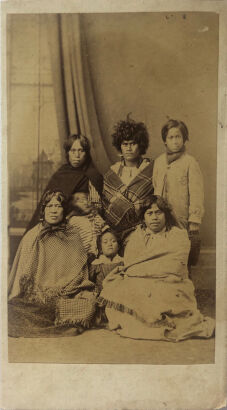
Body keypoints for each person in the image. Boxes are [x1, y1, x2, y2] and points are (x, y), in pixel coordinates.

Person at [99, 196, 215, 341]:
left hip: (170, 281)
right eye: (150, 213)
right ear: (144, 218)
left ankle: (156, 324)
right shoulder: (136, 236)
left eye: (158, 213)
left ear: (166, 215)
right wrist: (143, 274)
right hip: (139, 281)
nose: (154, 217)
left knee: (163, 293)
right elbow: (130, 266)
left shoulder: (178, 236)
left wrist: (150, 272)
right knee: (120, 288)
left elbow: (175, 266)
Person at [8, 190, 97, 337]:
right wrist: (42, 292)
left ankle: (55, 318)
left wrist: (64, 291)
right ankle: (59, 323)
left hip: (67, 293)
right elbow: (23, 275)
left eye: (58, 206)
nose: (54, 210)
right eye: (50, 206)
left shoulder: (73, 234)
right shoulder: (33, 235)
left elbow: (80, 271)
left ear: (64, 210)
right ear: (43, 210)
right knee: (12, 309)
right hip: (39, 295)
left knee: (87, 305)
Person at [26, 134, 103, 232]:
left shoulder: (94, 176)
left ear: (86, 153)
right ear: (68, 153)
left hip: (82, 225)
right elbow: (45, 205)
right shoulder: (61, 174)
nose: (77, 155)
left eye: (81, 150)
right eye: (73, 150)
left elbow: (98, 208)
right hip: (54, 222)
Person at [153, 119, 204, 265]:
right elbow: (155, 185)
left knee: (182, 249)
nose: (175, 141)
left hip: (181, 215)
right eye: (171, 137)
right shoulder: (159, 162)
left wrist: (194, 219)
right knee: (164, 247)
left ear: (184, 139)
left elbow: (197, 193)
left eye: (178, 137)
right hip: (162, 215)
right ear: (165, 141)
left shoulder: (190, 162)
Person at [102, 115, 154, 239]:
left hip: (145, 227)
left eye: (133, 143)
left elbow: (155, 200)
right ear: (120, 146)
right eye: (125, 144)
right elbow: (107, 203)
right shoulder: (112, 172)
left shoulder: (150, 170)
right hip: (115, 230)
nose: (129, 148)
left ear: (141, 145)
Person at [89, 229, 124, 325]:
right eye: (105, 242)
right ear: (100, 248)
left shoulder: (122, 262)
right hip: (101, 295)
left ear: (119, 246)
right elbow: (90, 280)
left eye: (113, 241)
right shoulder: (97, 264)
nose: (110, 244)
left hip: (118, 294)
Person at [67, 191, 107, 261]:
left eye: (87, 199)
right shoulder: (74, 220)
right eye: (81, 201)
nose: (85, 202)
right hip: (81, 256)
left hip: (100, 254)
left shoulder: (96, 216)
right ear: (73, 205)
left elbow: (105, 230)